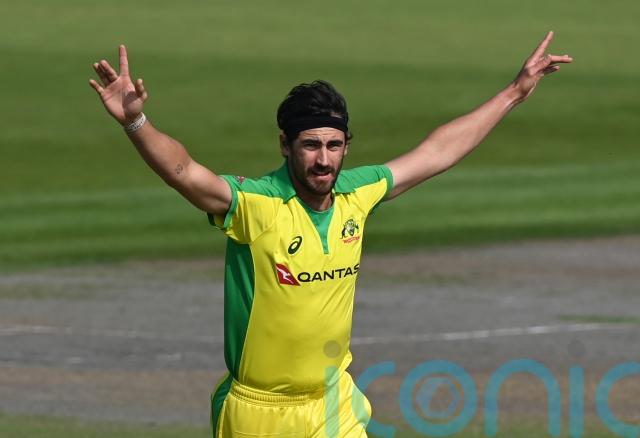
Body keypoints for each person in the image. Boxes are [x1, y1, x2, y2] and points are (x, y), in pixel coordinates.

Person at [89, 31, 572, 437]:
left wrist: (514, 93)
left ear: (346, 146)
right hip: (259, 414)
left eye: (334, 145)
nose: (324, 160)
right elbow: (184, 172)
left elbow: (436, 153)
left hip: (332, 402)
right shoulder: (256, 204)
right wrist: (135, 121)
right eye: (311, 145)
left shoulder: (356, 194)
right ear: (285, 145)